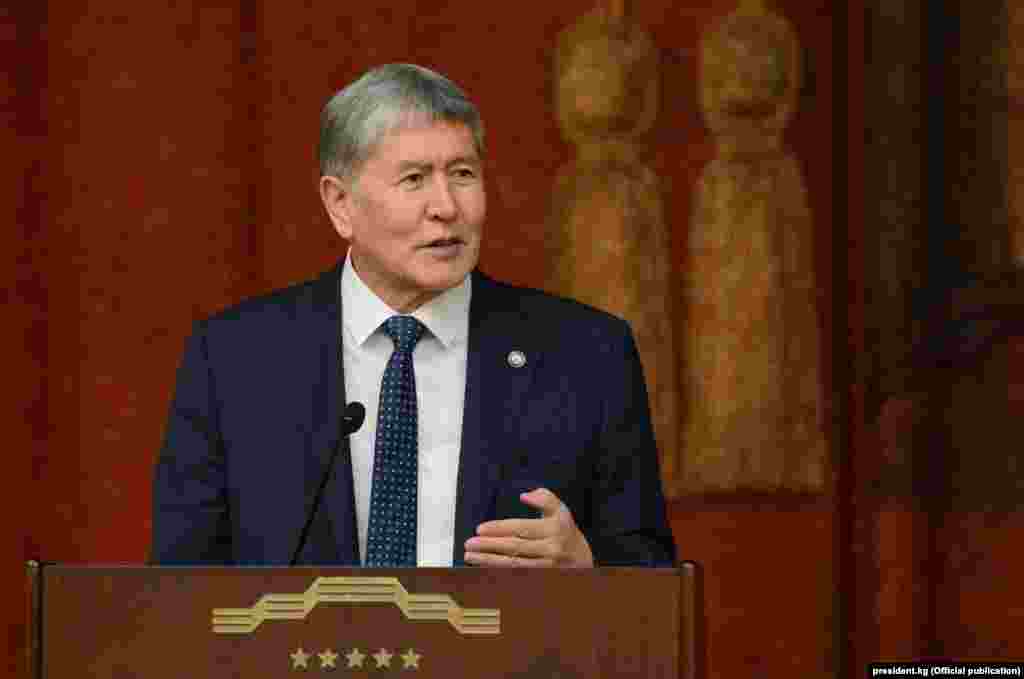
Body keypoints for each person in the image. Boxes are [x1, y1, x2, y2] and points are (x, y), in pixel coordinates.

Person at [151, 63, 676, 568]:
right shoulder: (235, 360)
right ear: (340, 204)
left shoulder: (586, 355)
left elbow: (652, 581)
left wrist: (588, 566)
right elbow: (180, 589)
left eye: (462, 174)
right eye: (414, 179)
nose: (446, 206)